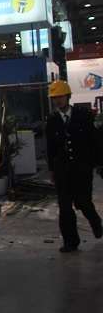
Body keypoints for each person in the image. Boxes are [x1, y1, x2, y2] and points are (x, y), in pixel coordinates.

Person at [45, 80, 103, 252]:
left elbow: (95, 141)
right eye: (54, 97)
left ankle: (95, 222)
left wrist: (99, 163)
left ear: (68, 96)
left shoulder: (83, 115)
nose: (58, 100)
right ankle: (70, 242)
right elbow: (50, 148)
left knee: (83, 202)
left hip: (82, 169)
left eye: (60, 96)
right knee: (65, 207)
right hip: (62, 170)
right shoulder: (52, 121)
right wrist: (52, 170)